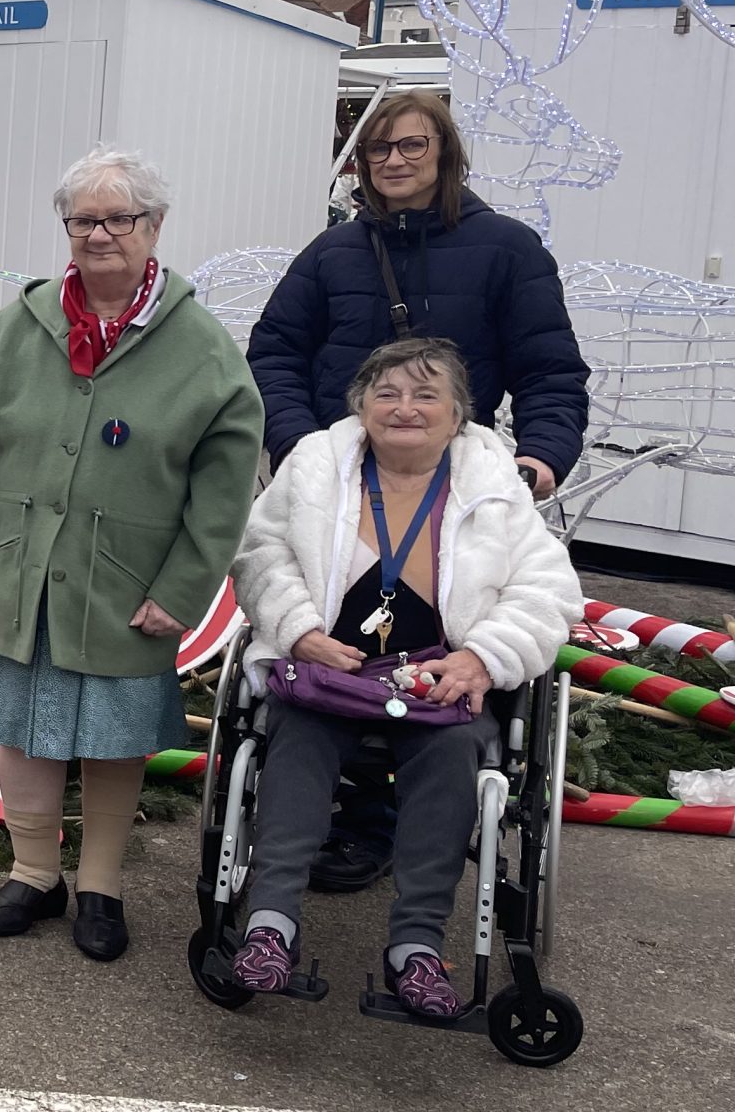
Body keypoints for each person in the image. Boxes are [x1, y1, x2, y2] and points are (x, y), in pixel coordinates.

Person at [247, 90, 589, 892]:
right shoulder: (331, 254)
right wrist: (297, 447)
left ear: (444, 154)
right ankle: (345, 812)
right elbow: (275, 354)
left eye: (411, 145)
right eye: (378, 149)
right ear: (360, 164)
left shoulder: (507, 249)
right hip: (340, 492)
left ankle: (401, 817)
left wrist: (539, 456)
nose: (394, 160)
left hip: (446, 481)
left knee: (430, 628)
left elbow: (549, 369)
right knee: (340, 631)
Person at [0, 146, 263, 961]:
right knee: (21, 725)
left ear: (155, 226)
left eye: (119, 218)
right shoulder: (17, 329)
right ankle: (34, 874)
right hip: (23, 573)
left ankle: (102, 888)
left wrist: (184, 588)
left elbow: (225, 489)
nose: (99, 235)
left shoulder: (201, 350)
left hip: (128, 584)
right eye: (83, 220)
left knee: (115, 733)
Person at [228, 338, 579, 1019]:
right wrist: (300, 631)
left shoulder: (494, 485)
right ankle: (270, 926)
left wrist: (481, 659)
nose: (404, 408)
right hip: (330, 671)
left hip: (436, 681)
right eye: (386, 393)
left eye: (425, 395)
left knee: (454, 751)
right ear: (360, 406)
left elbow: (548, 592)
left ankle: (416, 948)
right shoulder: (317, 464)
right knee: (296, 736)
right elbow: (261, 554)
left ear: (458, 413)